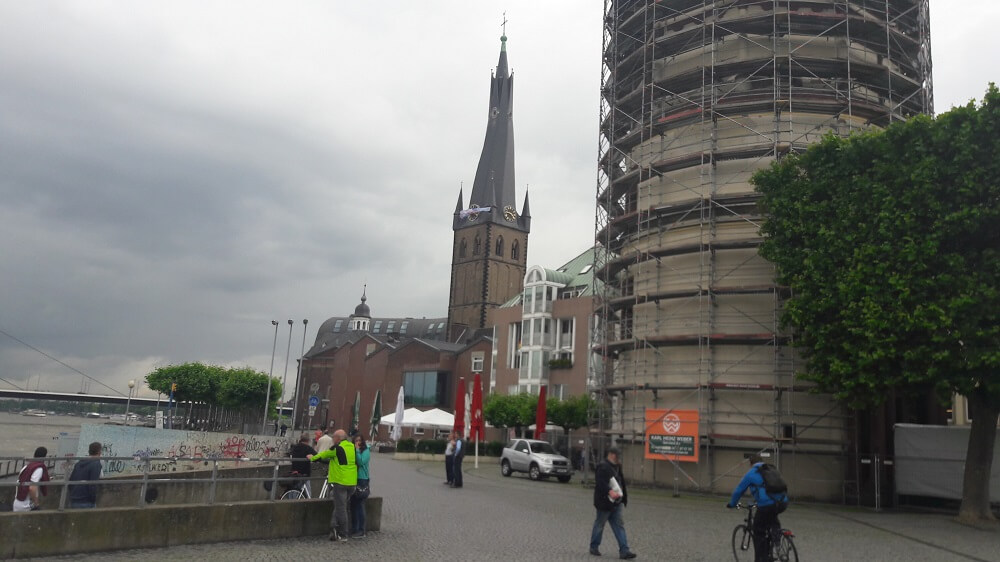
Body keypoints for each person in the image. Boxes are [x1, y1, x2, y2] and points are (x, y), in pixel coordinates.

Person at [727, 453, 787, 562]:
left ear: (751, 463)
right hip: (782, 502)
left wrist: (732, 504)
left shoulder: (751, 473)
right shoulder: (772, 469)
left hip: (767, 505)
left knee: (758, 530)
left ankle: (761, 559)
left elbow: (738, 491)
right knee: (772, 520)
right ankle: (777, 541)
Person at [590, 447, 637, 559]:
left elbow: (621, 482)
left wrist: (623, 497)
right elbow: (600, 482)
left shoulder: (617, 466)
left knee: (619, 526)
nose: (618, 458)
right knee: (600, 524)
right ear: (611, 454)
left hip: (617, 502)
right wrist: (609, 491)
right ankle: (594, 546)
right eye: (617, 455)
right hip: (605, 502)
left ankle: (624, 550)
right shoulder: (603, 466)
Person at [311, 429, 356, 542]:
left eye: (334, 438)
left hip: (340, 482)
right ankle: (334, 528)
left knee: (341, 509)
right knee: (340, 506)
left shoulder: (336, 448)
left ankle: (343, 534)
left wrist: (311, 457)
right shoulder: (352, 447)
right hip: (351, 482)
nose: (332, 440)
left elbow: (323, 454)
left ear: (338, 438)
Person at [13, 447, 51, 512]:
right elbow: (32, 488)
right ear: (44, 457)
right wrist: (36, 504)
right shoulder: (39, 469)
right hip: (26, 505)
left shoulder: (26, 466)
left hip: (17, 503)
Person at [68, 441, 103, 509]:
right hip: (86, 501)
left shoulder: (79, 463)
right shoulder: (96, 464)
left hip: (74, 499)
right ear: (99, 452)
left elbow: (71, 481)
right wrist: (93, 499)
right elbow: (93, 484)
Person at [349, 434, 371, 538]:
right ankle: (355, 528)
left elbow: (361, 461)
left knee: (360, 504)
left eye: (359, 441)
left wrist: (357, 450)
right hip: (353, 479)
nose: (357, 442)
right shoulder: (352, 450)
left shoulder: (366, 451)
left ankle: (361, 530)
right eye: (356, 441)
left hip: (362, 479)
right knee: (353, 505)